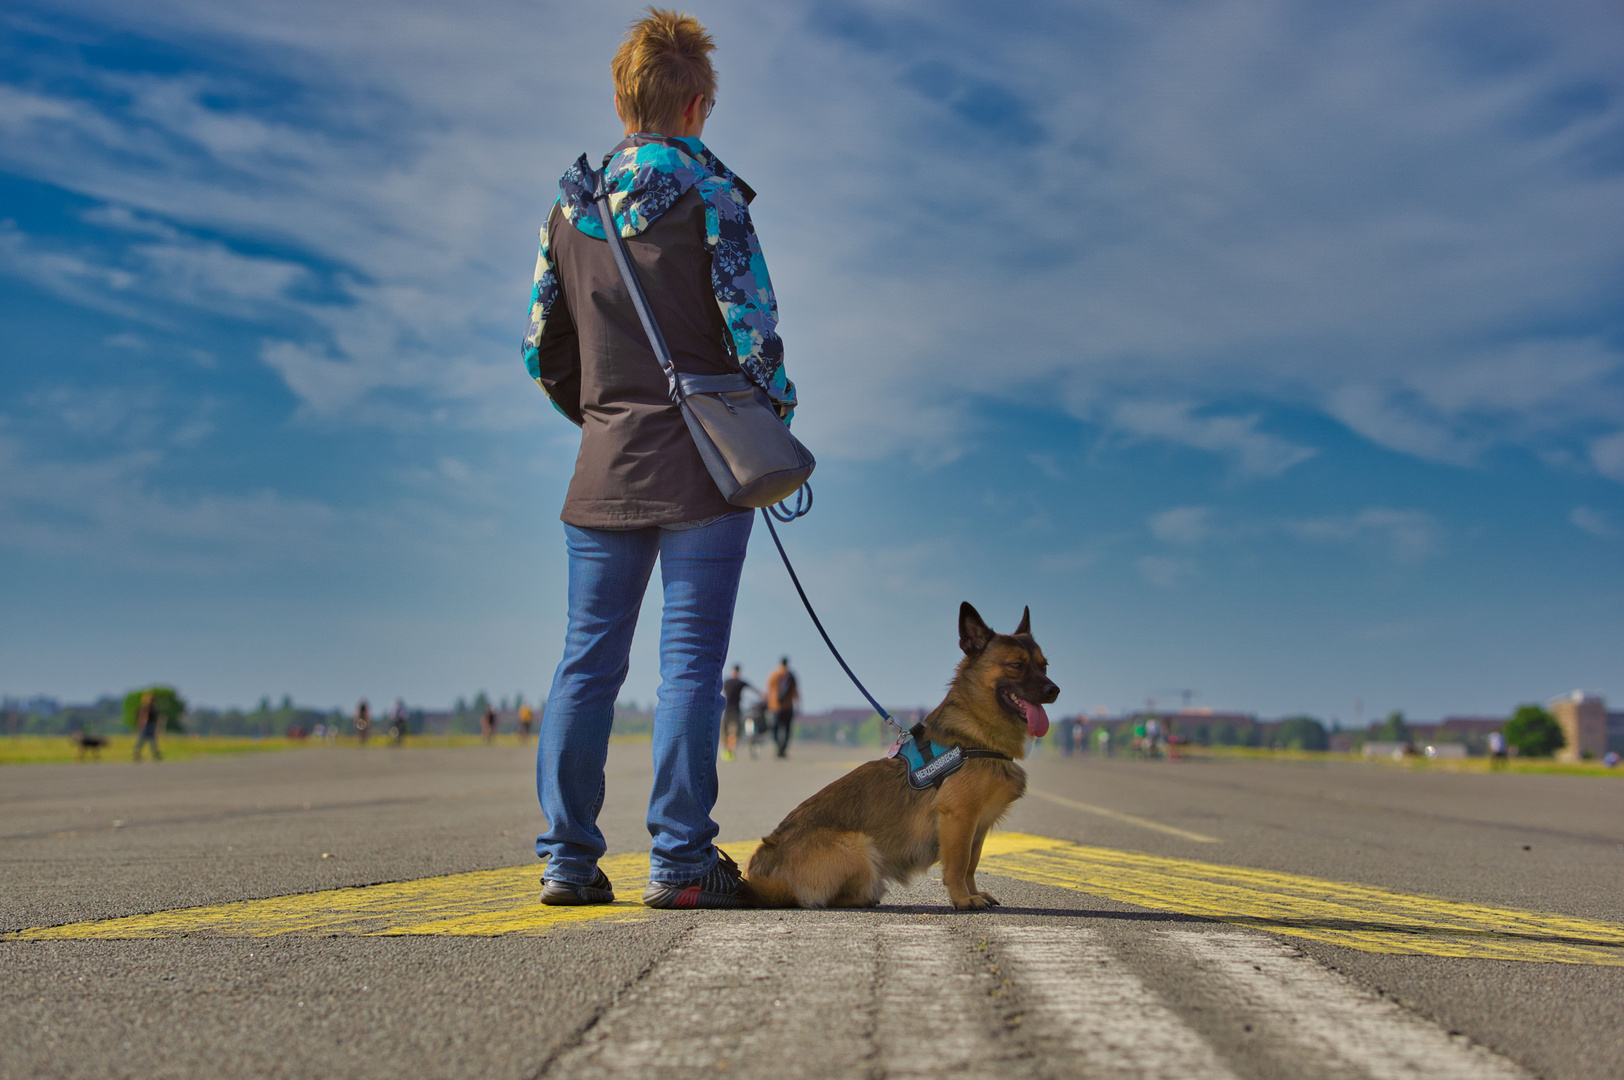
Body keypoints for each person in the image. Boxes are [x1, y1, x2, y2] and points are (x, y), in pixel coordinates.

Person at [521, 10, 792, 909]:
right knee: (689, 664)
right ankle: (679, 861)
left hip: (604, 467)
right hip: (707, 471)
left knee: (586, 663)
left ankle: (567, 858)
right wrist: (770, 428)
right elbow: (755, 339)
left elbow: (540, 351)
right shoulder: (715, 200)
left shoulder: (570, 210)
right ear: (698, 104)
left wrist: (600, 418)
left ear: (619, 98)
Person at [766, 657, 798, 759]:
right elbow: (795, 691)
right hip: (788, 706)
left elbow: (769, 690)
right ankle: (783, 749)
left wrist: (768, 704)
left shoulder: (774, 675)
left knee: (775, 728)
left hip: (776, 706)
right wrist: (797, 703)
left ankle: (778, 746)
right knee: (787, 730)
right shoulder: (791, 675)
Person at [719, 665, 754, 761]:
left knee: (730, 733)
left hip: (730, 710)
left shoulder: (728, 681)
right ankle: (729, 751)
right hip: (732, 711)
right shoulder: (739, 682)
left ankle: (730, 751)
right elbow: (752, 688)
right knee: (730, 733)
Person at [132, 690, 162, 762]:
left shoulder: (143, 708)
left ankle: (137, 753)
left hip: (146, 725)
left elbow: (139, 717)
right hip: (148, 725)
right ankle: (154, 754)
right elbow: (146, 717)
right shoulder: (148, 709)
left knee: (144, 740)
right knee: (149, 740)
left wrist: (139, 725)